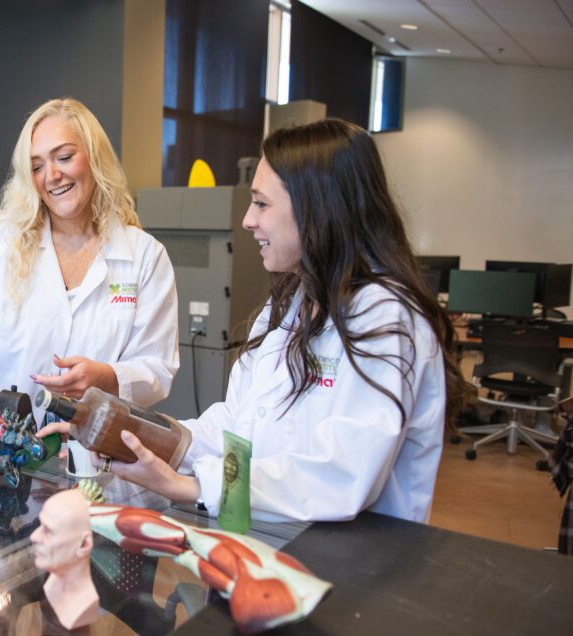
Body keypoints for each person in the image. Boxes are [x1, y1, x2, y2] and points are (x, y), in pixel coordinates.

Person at [41, 119, 467, 524]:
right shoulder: (293, 302)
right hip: (268, 542)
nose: (247, 220)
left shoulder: (386, 317)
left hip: (348, 568)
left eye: (261, 203)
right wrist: (127, 433)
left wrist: (188, 486)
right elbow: (238, 424)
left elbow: (345, 475)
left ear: (319, 209)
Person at [0, 98, 179, 420]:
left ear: (95, 158)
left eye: (64, 157)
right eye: (36, 166)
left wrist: (107, 377)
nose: (52, 175)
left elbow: (156, 368)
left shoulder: (144, 256)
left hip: (89, 457)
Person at [30, 489, 99, 630]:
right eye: (40, 526)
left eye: (48, 530)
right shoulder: (51, 583)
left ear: (83, 544)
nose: (34, 536)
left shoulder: (84, 603)